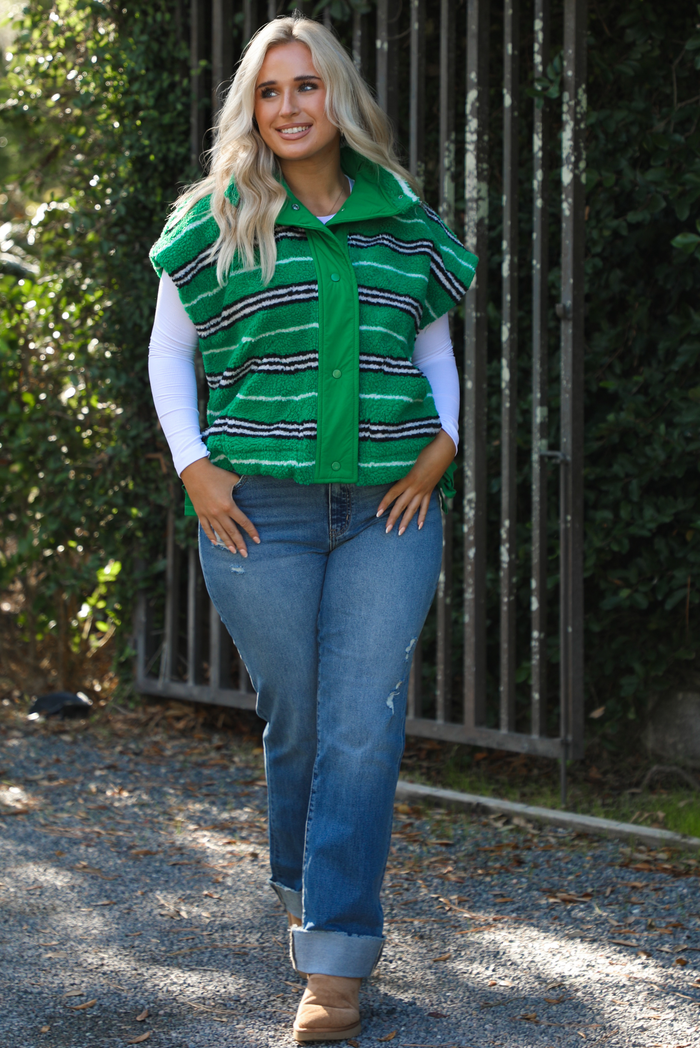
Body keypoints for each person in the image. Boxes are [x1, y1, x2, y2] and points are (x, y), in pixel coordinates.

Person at [148, 13, 476, 1042]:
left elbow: (431, 353)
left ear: (338, 97)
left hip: (390, 504)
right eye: (268, 91)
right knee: (297, 717)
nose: (288, 107)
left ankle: (333, 959)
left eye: (306, 87)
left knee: (361, 720)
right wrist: (194, 467)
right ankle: (308, 879)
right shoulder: (216, 217)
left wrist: (445, 444)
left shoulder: (401, 219)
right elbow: (168, 354)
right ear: (251, 108)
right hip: (257, 512)